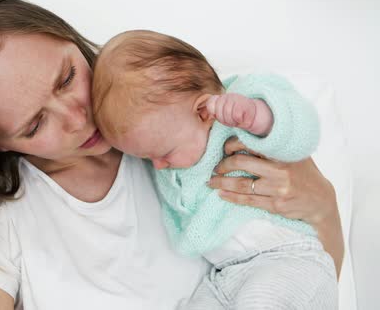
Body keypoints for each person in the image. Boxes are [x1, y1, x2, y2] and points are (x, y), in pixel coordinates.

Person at [0, 0, 344, 310]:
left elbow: (307, 278)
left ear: (67, 36)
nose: (79, 116)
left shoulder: (182, 127)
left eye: (68, 76)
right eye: (35, 125)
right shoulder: (4, 229)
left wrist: (324, 206)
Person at [91, 30, 337, 308]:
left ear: (203, 113)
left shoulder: (240, 108)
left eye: (163, 154)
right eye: (147, 159)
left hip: (286, 256)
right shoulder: (169, 139)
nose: (158, 166)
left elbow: (303, 134)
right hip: (226, 274)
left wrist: (260, 117)